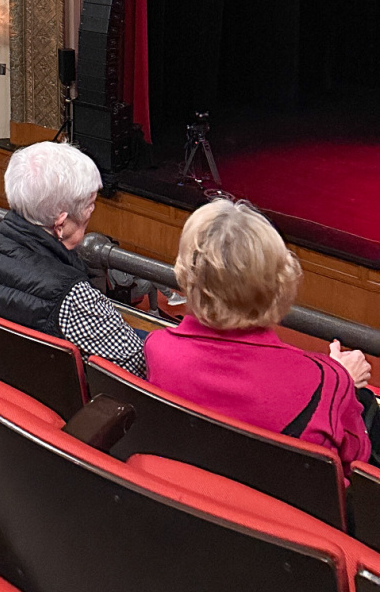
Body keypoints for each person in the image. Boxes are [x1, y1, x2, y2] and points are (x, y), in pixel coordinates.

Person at [145, 198, 376, 466]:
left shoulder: (158, 347)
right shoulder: (327, 383)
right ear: (280, 284)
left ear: (187, 274)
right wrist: (341, 381)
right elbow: (358, 462)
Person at [0, 140, 146, 376]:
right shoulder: (73, 296)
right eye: (89, 205)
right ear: (60, 225)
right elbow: (137, 366)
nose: (91, 211)